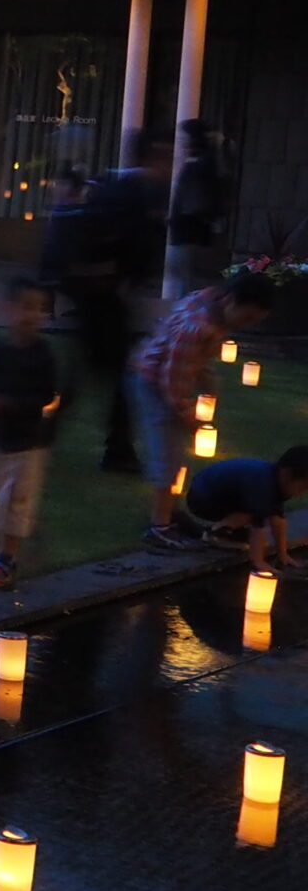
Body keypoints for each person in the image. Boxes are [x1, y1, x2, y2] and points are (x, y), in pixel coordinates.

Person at [134, 268, 276, 551]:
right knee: (167, 458)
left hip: (166, 380)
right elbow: (171, 379)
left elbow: (191, 360)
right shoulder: (198, 327)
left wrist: (206, 376)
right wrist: (187, 415)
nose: (245, 325)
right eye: (246, 317)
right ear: (231, 300)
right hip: (154, 383)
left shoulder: (209, 301)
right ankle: (158, 527)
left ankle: (169, 513)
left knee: (175, 455)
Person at [68, 133, 174, 474]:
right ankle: (117, 449)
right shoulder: (127, 194)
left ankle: (113, 446)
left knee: (91, 372)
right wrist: (123, 281)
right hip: (106, 299)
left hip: (102, 299)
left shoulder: (116, 189)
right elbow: (130, 244)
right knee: (114, 376)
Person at [0, 276, 64, 589]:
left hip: (27, 443)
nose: (32, 315)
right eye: (26, 307)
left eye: (39, 309)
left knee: (15, 501)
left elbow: (47, 395)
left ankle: (5, 560)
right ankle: (21, 536)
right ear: (7, 309)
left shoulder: (42, 354)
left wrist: (10, 405)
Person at [177, 447, 308, 569]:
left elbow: (278, 520)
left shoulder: (277, 482)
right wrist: (259, 562)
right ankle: (215, 534)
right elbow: (258, 526)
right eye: (304, 487)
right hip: (202, 498)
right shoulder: (262, 485)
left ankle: (227, 531)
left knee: (260, 521)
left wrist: (283, 555)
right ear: (287, 474)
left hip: (225, 496)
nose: (303, 492)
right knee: (254, 515)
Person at [162, 119, 226, 301]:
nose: (181, 142)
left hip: (191, 230)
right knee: (185, 279)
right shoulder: (202, 162)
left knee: (189, 281)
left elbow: (197, 200)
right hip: (187, 229)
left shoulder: (203, 163)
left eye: (185, 137)